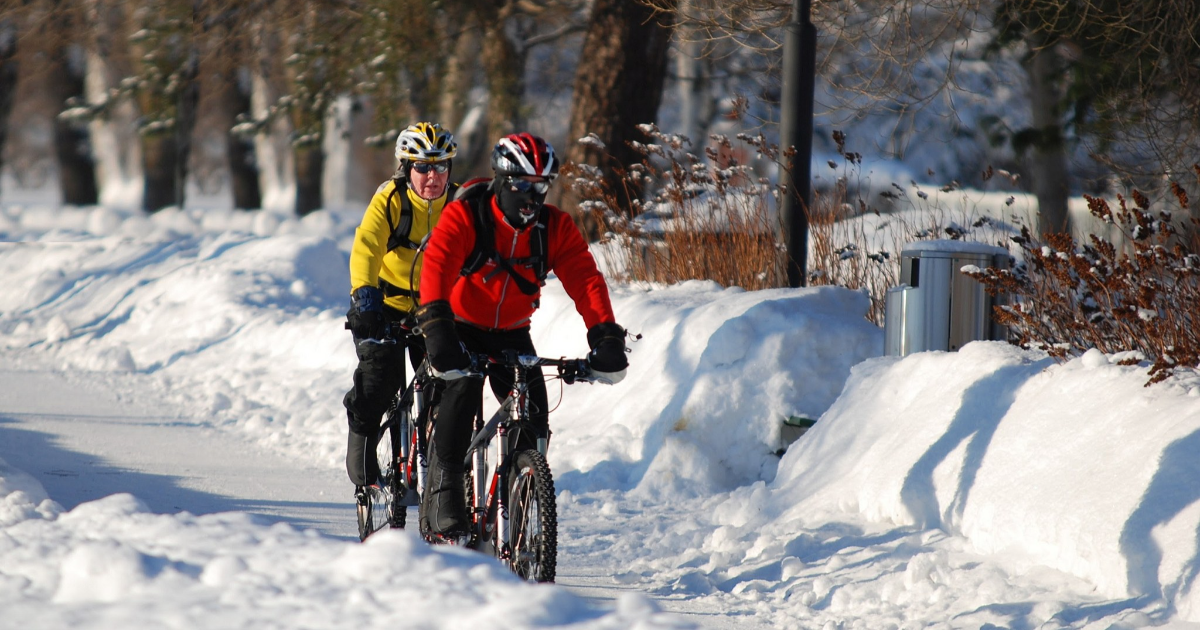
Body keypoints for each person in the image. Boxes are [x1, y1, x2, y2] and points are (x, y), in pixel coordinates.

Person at [414, 132, 629, 538]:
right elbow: (437, 266)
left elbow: (586, 280)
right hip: (459, 325)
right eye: (521, 186)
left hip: (512, 333)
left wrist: (605, 335)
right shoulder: (468, 216)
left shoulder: (554, 228)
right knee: (460, 392)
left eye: (541, 187)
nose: (531, 197)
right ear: (500, 180)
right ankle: (445, 488)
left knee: (534, 416)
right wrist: (438, 329)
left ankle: (520, 486)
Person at [342, 122, 458, 502]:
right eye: (422, 167)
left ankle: (440, 473)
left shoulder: (459, 205)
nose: (432, 177)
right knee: (380, 380)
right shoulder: (391, 200)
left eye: (441, 167)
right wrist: (365, 299)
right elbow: (366, 248)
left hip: (435, 308)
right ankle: (362, 452)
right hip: (386, 305)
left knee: (449, 384)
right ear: (406, 168)